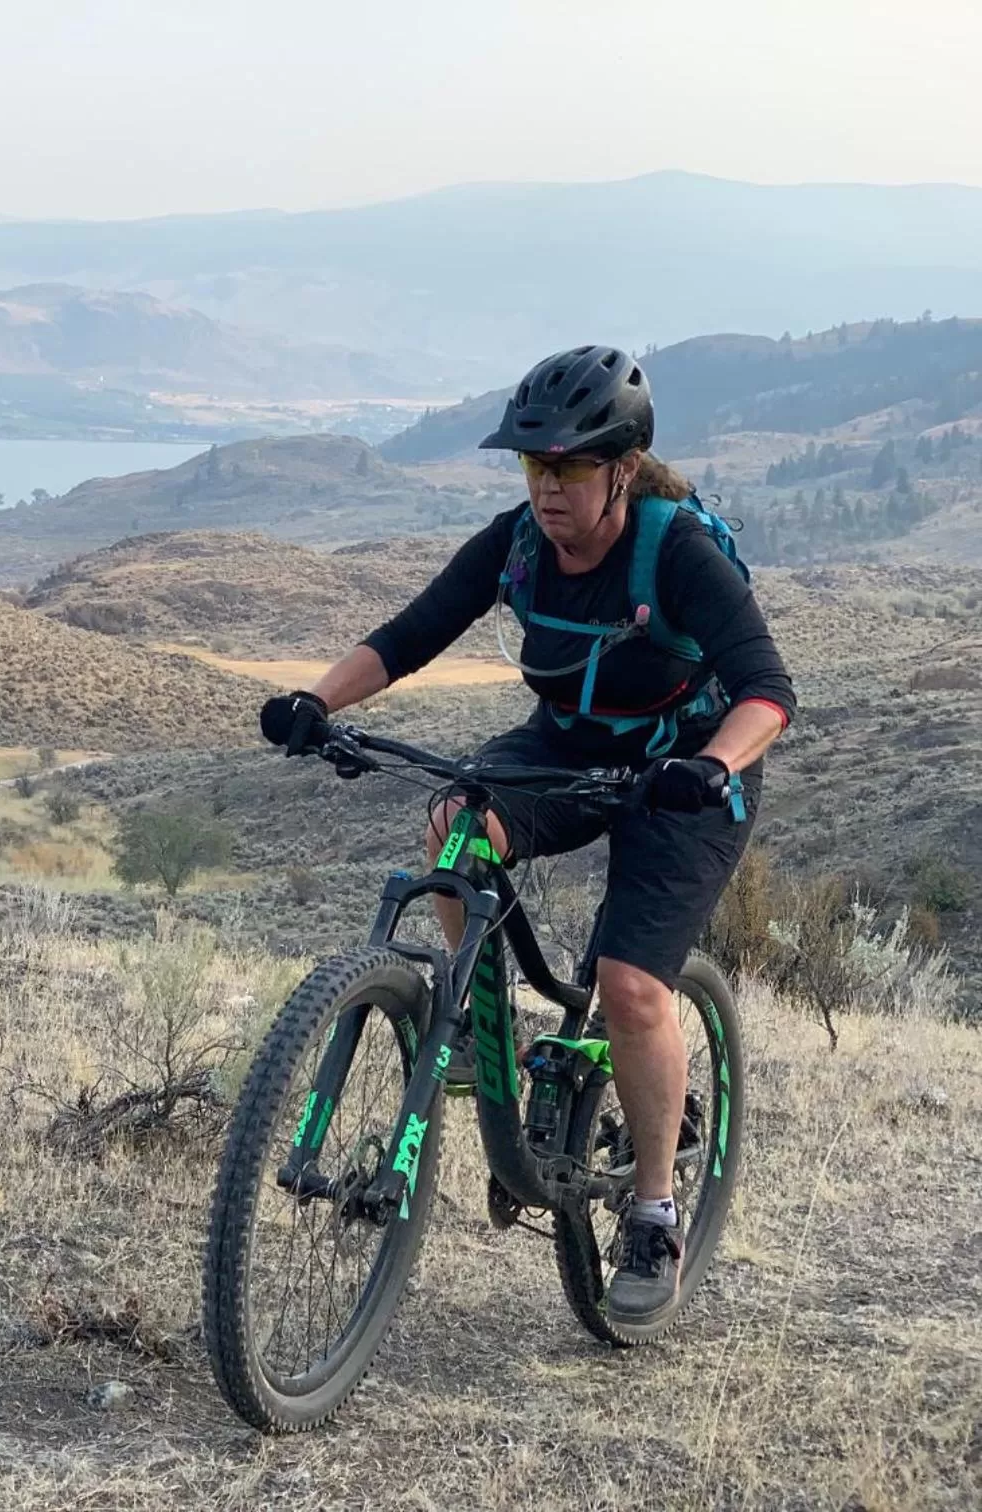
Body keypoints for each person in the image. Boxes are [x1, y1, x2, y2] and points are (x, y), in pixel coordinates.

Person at [258, 345, 794, 1329]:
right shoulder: (516, 545)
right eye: (533, 467)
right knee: (459, 824)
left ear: (621, 470)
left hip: (682, 768)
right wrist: (315, 702)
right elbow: (412, 631)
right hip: (568, 744)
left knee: (632, 987)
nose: (547, 488)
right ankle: (469, 1027)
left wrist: (714, 765)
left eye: (569, 469)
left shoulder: (674, 551)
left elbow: (768, 688)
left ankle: (652, 1213)